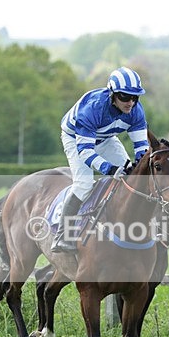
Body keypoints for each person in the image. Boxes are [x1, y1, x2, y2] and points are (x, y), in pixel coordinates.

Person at [51, 66, 150, 253]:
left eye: (135, 97)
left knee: (131, 177)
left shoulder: (137, 111)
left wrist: (138, 168)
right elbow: (86, 152)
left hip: (106, 138)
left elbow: (142, 149)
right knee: (84, 184)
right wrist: (110, 169)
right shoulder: (92, 108)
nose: (130, 102)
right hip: (76, 139)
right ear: (113, 94)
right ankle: (63, 235)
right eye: (124, 97)